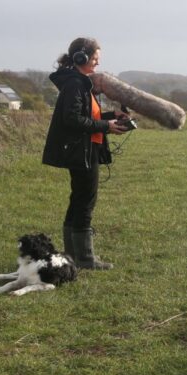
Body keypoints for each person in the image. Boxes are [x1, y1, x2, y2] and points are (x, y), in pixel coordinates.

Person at [42, 37, 129, 269]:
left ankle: (72, 256)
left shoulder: (79, 83)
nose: (97, 64)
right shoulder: (75, 84)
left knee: (78, 199)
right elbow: (72, 119)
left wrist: (112, 117)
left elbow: (87, 116)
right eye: (95, 59)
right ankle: (85, 258)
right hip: (82, 151)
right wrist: (106, 126)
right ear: (81, 58)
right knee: (85, 202)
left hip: (84, 148)